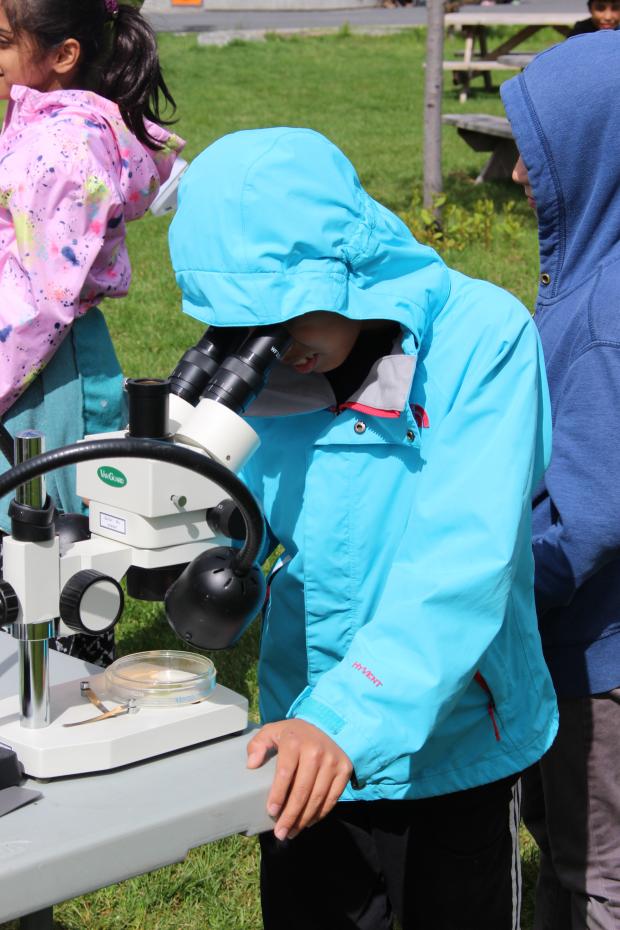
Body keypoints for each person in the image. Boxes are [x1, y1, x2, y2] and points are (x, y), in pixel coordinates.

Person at [169, 127, 558, 930]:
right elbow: (237, 518)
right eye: (248, 325)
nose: (281, 346)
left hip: (448, 746)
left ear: (346, 262)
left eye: (291, 313)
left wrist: (341, 718)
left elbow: (463, 563)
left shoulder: (483, 339)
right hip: (304, 740)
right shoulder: (272, 374)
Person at [0, 0, 184, 665]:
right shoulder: (41, 121)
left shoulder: (66, 147)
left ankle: (69, 685)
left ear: (63, 54)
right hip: (29, 356)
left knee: (51, 532)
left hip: (43, 365)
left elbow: (48, 298)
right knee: (28, 533)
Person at [501, 31, 620, 930]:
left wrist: (494, 594)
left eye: (535, 153)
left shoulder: (606, 318)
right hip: (585, 642)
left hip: (598, 655)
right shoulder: (595, 278)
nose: (515, 176)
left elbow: (591, 513)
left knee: (596, 875)